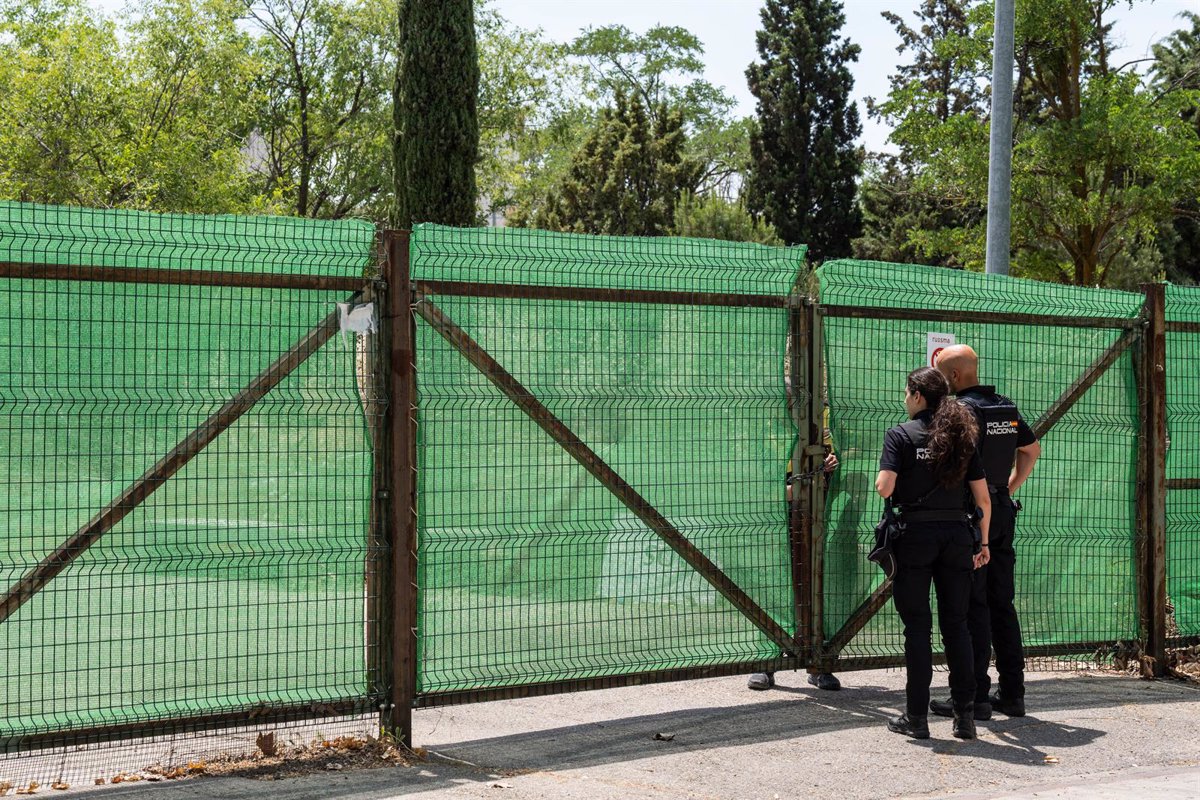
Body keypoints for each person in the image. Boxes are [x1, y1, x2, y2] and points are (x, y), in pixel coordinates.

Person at [876, 367, 992, 740]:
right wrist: (984, 543)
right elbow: (983, 498)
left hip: (915, 537)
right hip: (957, 535)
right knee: (956, 626)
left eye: (907, 392)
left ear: (917, 395)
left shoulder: (900, 434)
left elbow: (884, 488)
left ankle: (916, 718)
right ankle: (965, 716)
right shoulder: (962, 436)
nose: (904, 398)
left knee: (917, 629)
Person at [930, 345, 1041, 720]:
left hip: (973, 515)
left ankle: (975, 695)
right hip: (1002, 510)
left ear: (955, 377)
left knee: (972, 605)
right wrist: (1008, 489)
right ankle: (1012, 693)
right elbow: (1031, 449)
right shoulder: (1004, 406)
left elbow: (957, 463)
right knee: (1002, 603)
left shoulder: (959, 410)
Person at [748, 405, 842, 692]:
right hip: (783, 516)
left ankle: (820, 662)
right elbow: (757, 483)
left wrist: (830, 465)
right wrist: (794, 490)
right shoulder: (767, 430)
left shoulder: (825, 419)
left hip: (818, 513)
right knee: (782, 586)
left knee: (817, 586)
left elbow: (839, 459)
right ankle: (768, 660)